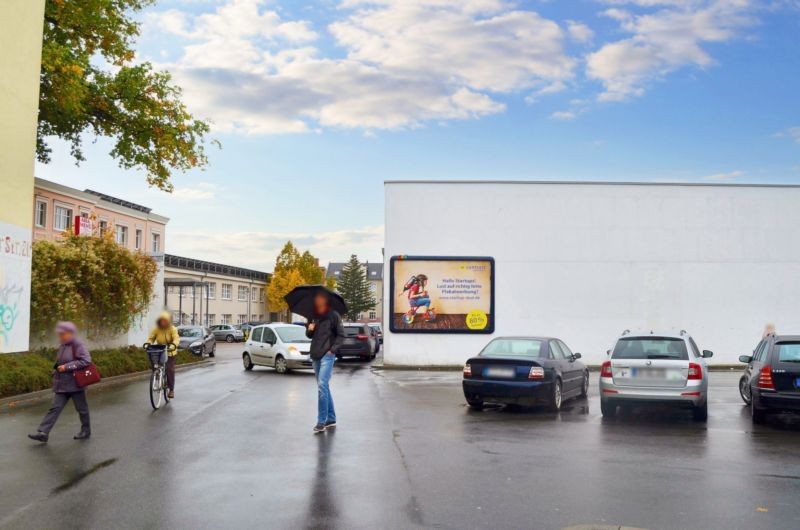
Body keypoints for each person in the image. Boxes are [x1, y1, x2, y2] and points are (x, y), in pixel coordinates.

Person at [28, 322, 92, 443]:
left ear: (70, 333)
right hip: (62, 384)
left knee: (82, 409)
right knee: (55, 408)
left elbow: (86, 360)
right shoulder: (63, 345)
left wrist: (66, 367)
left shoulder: (78, 344)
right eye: (60, 334)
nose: (61, 336)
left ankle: (86, 430)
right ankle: (43, 433)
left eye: (63, 334)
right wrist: (56, 371)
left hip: (76, 384)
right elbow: (60, 362)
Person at [306, 292, 344, 434]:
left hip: (327, 355)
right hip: (315, 354)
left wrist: (332, 350)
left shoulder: (333, 315)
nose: (318, 301)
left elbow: (342, 335)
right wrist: (310, 329)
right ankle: (331, 418)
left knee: (322, 385)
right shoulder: (313, 316)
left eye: (320, 298)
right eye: (316, 299)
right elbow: (309, 335)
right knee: (324, 387)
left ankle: (321, 422)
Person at [145, 311, 180, 398]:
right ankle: (157, 376)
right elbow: (151, 338)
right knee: (155, 365)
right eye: (161, 320)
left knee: (169, 368)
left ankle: (171, 390)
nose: (163, 322)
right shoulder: (156, 329)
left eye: (165, 320)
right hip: (160, 350)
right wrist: (148, 343)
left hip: (170, 351)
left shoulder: (172, 329)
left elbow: (176, 339)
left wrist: (173, 345)